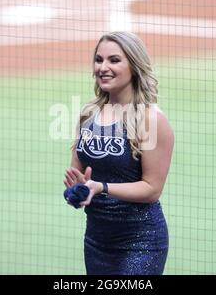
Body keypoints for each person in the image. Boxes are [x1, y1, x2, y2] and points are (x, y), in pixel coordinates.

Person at [63, 31, 174, 275]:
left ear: (134, 67)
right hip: (96, 242)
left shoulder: (151, 120)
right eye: (99, 59)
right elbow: (78, 177)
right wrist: (76, 193)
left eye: (114, 60)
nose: (103, 67)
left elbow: (152, 189)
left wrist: (101, 187)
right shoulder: (88, 114)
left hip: (141, 243)